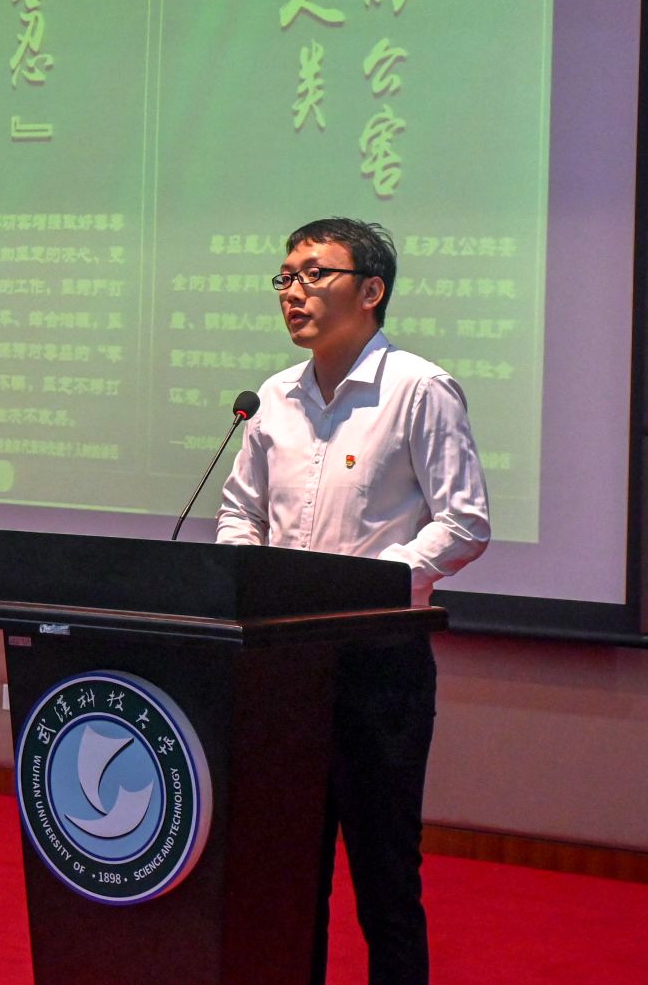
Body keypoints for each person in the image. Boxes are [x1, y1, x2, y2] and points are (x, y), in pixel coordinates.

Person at [215, 217, 488, 985]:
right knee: (288, 877)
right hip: (281, 668)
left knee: (384, 879)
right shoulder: (274, 397)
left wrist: (372, 586)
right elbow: (240, 511)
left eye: (313, 273)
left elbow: (464, 521)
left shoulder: (419, 389)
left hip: (378, 667)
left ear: (371, 291)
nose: (292, 291)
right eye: (285, 276)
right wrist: (245, 572)